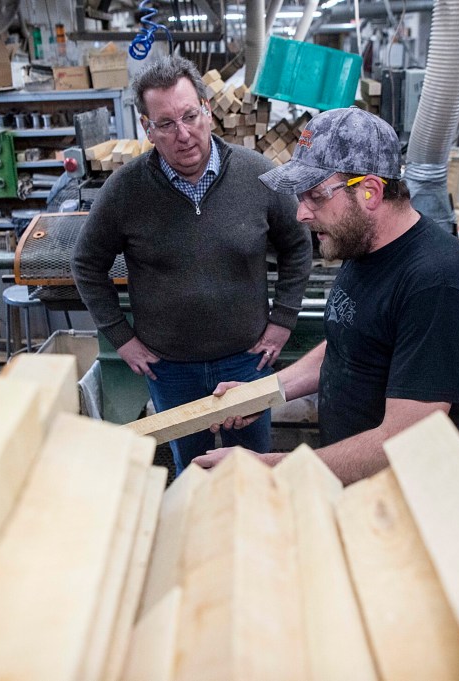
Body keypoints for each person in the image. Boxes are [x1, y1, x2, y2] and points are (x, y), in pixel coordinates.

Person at [193, 107, 459, 485]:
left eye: (315, 196)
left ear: (370, 191)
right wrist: (262, 393)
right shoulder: (363, 246)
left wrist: (271, 468)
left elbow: (402, 441)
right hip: (351, 480)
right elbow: (350, 343)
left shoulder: (439, 283)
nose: (301, 214)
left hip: (397, 498)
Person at [71, 56, 312, 474]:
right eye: (165, 124)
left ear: (208, 110)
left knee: (251, 469)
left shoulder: (258, 174)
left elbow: (298, 244)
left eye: (190, 115)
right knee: (192, 470)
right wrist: (120, 336)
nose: (183, 134)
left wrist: (283, 319)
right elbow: (86, 263)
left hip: (247, 360)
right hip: (169, 367)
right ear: (147, 129)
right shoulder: (125, 190)